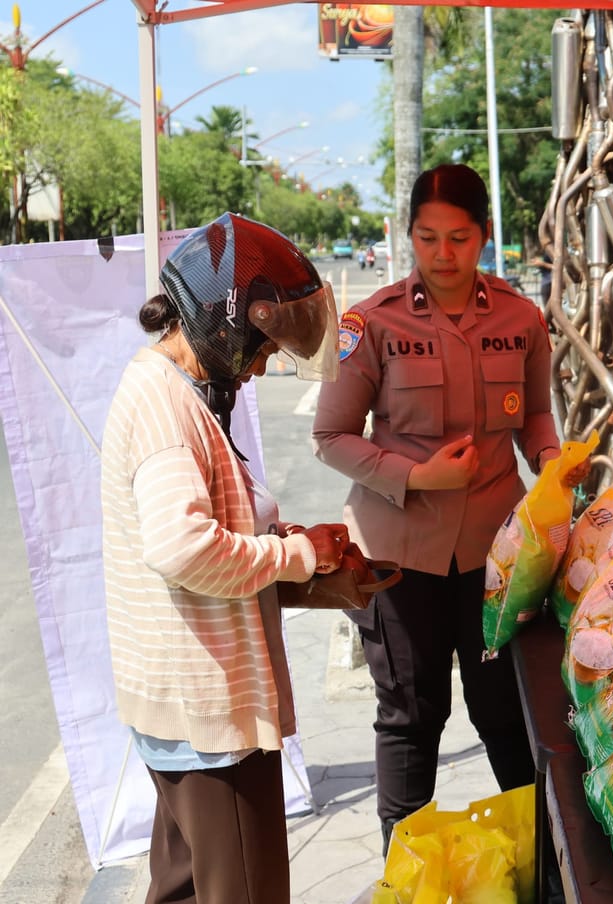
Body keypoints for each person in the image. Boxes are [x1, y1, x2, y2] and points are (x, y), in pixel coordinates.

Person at [312, 163, 582, 854]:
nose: (443, 254)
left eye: (459, 238)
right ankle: (406, 874)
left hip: (497, 558)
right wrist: (417, 475)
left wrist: (552, 460)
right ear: (409, 235)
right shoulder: (372, 322)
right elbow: (332, 436)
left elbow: (535, 415)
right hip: (399, 556)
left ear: (484, 235)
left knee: (507, 713)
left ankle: (544, 867)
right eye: (427, 237)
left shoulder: (520, 318)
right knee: (411, 716)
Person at [100, 212, 348, 904]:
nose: (262, 366)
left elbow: (208, 524)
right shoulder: (165, 405)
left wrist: (291, 547)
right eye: (262, 348)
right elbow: (180, 545)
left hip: (184, 712)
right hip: (207, 714)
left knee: (184, 888)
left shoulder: (173, 392)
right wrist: (293, 555)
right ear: (228, 322)